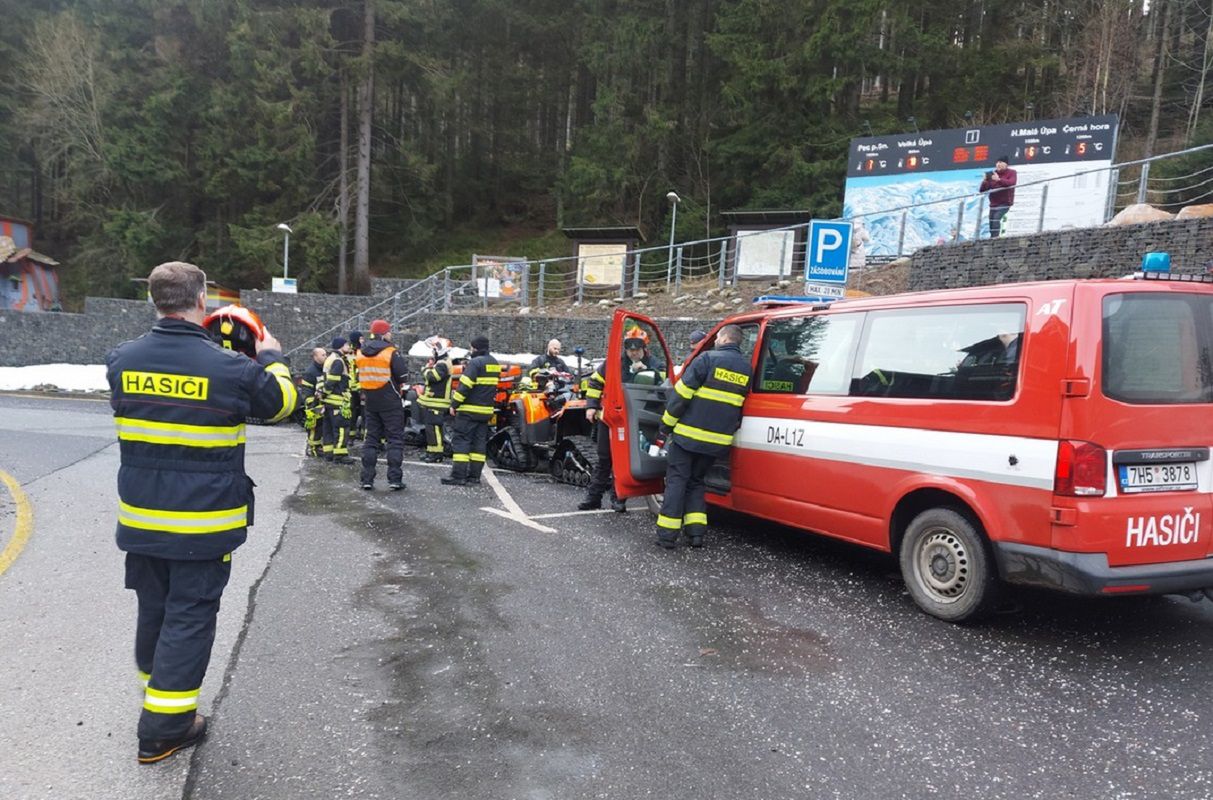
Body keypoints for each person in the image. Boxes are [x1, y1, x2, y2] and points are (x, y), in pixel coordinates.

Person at [106, 261, 298, 764]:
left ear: (156, 301)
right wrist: (271, 355)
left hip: (142, 520)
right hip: (202, 526)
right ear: (202, 301)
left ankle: (158, 692)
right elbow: (282, 404)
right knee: (190, 618)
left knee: (155, 608)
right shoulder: (230, 369)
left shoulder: (122, 360)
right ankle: (164, 728)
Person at [655, 323, 752, 549]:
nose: (715, 341)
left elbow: (680, 397)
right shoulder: (747, 369)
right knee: (697, 483)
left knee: (677, 481)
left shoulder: (707, 359)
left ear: (725, 338)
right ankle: (696, 534)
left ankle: (667, 536)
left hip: (687, 437)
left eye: (717, 337)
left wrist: (665, 427)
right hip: (717, 442)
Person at [578, 326, 662, 512]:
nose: (633, 352)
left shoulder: (654, 363)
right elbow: (595, 382)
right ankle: (594, 498)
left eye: (637, 349)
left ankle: (619, 498)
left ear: (644, 348)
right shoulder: (613, 363)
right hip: (610, 418)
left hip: (635, 420)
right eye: (630, 349)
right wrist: (591, 406)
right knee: (604, 459)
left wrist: (646, 370)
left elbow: (662, 383)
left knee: (623, 460)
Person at [356, 319, 409, 491]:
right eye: (389, 331)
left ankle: (366, 479)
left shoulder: (360, 352)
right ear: (384, 333)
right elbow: (403, 377)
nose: (391, 334)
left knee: (371, 440)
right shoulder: (391, 352)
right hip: (390, 400)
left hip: (370, 400)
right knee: (394, 440)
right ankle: (394, 479)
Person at [441, 334, 501, 486]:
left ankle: (458, 476)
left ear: (475, 348)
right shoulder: (494, 363)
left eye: (471, 347)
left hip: (468, 411)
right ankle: (474, 477)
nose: (470, 350)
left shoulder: (475, 363)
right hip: (485, 411)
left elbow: (464, 387)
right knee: (479, 444)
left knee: (461, 441)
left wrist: (454, 405)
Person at [417, 335, 454, 462]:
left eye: (434, 350)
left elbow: (433, 377)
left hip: (437, 403)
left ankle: (436, 454)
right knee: (431, 429)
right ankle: (431, 451)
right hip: (434, 403)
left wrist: (426, 369)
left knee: (434, 429)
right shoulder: (442, 362)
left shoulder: (443, 364)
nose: (432, 353)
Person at [321, 337, 354, 463]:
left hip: (329, 402)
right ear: (341, 346)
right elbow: (332, 381)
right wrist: (326, 392)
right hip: (338, 401)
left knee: (328, 428)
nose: (349, 347)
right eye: (347, 344)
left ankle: (329, 453)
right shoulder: (338, 361)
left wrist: (323, 395)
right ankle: (340, 455)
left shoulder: (329, 359)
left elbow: (325, 380)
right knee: (341, 428)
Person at [979, 155, 1017, 238]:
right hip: (993, 204)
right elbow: (982, 190)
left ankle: (995, 240)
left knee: (996, 219)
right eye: (997, 162)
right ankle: (992, 240)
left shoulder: (1012, 172)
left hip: (1005, 203)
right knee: (992, 224)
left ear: (1006, 164)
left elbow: (1011, 183)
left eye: (1000, 162)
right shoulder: (992, 174)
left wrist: (999, 179)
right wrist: (984, 181)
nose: (998, 164)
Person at [299, 346, 328, 456]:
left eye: (326, 354)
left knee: (322, 428)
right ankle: (313, 449)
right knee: (315, 429)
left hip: (323, 404)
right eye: (323, 355)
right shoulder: (310, 372)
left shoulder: (325, 369)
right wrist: (313, 406)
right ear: (315, 357)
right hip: (314, 406)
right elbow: (307, 392)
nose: (326, 357)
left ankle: (319, 447)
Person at [346, 331, 365, 439]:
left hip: (360, 387)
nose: (363, 341)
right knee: (352, 412)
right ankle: (351, 435)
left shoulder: (362, 351)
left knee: (364, 413)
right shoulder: (350, 352)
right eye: (361, 338)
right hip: (353, 387)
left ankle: (362, 434)